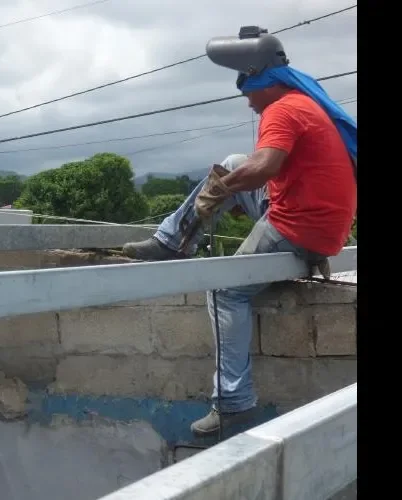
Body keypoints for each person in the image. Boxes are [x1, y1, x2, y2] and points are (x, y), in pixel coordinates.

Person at [121, 26, 357, 437]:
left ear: (258, 79)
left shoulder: (281, 110)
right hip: (322, 228)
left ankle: (233, 403)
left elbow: (265, 166)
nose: (247, 101)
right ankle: (172, 241)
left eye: (245, 90)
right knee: (233, 161)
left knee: (224, 290)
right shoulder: (305, 103)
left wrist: (218, 191)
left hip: (298, 227)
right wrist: (230, 182)